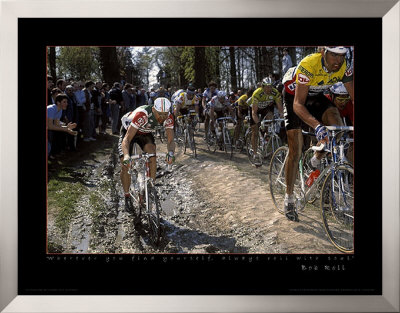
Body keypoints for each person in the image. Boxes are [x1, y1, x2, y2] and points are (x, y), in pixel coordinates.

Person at [282, 46, 353, 222]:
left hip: (317, 94)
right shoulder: (309, 64)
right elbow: (298, 104)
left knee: (337, 128)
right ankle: (289, 198)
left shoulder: (345, 66)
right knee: (296, 149)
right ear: (323, 52)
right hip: (294, 97)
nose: (338, 60)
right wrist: (317, 126)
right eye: (334, 55)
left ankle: (315, 160)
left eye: (342, 56)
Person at [119, 97, 176, 212]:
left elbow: (170, 141)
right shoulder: (143, 115)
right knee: (125, 165)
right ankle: (127, 196)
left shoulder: (168, 117)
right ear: (154, 110)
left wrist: (170, 153)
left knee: (152, 155)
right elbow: (127, 139)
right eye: (160, 114)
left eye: (166, 114)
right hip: (129, 131)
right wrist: (126, 156)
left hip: (145, 132)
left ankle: (150, 189)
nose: (163, 118)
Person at [249, 77, 284, 162]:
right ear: (263, 86)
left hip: (265, 108)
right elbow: (254, 112)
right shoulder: (257, 93)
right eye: (267, 86)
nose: (269, 88)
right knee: (255, 130)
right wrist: (258, 123)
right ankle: (254, 153)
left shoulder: (275, 92)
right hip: (255, 109)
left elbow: (280, 108)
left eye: (270, 86)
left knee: (270, 116)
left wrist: (282, 116)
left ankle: (266, 135)